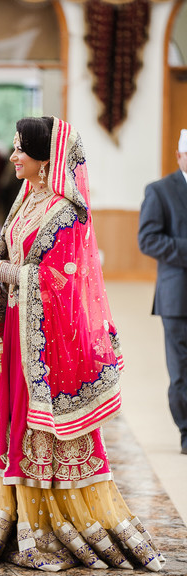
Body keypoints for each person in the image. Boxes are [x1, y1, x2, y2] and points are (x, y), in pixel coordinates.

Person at [0, 116, 164, 572]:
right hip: (21, 330)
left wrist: (3, 273)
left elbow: (60, 284)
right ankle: (19, 518)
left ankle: (51, 525)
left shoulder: (67, 213)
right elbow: (7, 253)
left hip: (51, 343)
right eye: (13, 147)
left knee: (42, 424)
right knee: (14, 417)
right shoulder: (27, 199)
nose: (13, 156)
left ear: (45, 158)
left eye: (21, 149)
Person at [138, 128, 187, 456]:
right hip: (178, 296)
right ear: (180, 156)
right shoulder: (160, 191)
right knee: (182, 369)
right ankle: (186, 430)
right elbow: (148, 240)